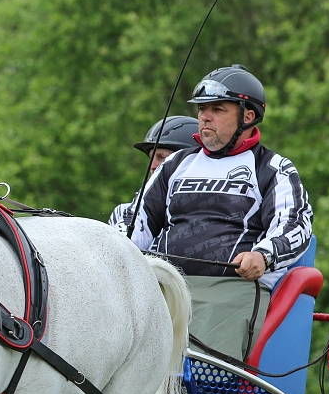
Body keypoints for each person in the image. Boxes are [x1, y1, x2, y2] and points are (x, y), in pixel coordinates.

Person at [128, 64, 313, 360]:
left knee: (201, 376)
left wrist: (262, 256)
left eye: (217, 109)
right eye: (202, 109)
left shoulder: (273, 168)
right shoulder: (173, 166)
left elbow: (295, 224)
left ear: (248, 116)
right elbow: (136, 226)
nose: (204, 117)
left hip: (230, 290)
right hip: (163, 287)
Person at [108, 116, 199, 233]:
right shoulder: (122, 213)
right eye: (151, 158)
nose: (153, 166)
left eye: (163, 158)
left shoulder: (201, 216)